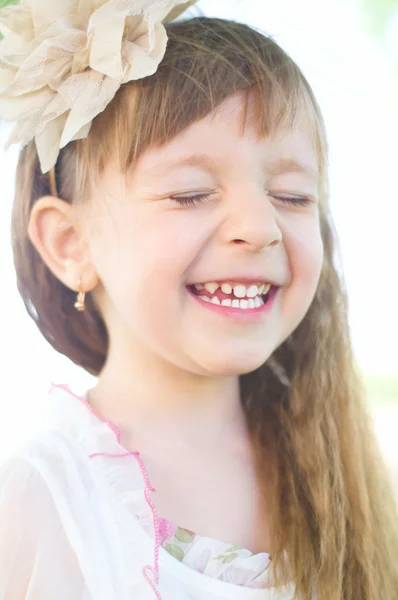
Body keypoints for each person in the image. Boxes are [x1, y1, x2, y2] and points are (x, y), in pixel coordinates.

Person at [0, 1, 397, 599]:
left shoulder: (350, 483)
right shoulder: (41, 497)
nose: (259, 227)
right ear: (70, 243)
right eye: (189, 194)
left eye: (292, 196)